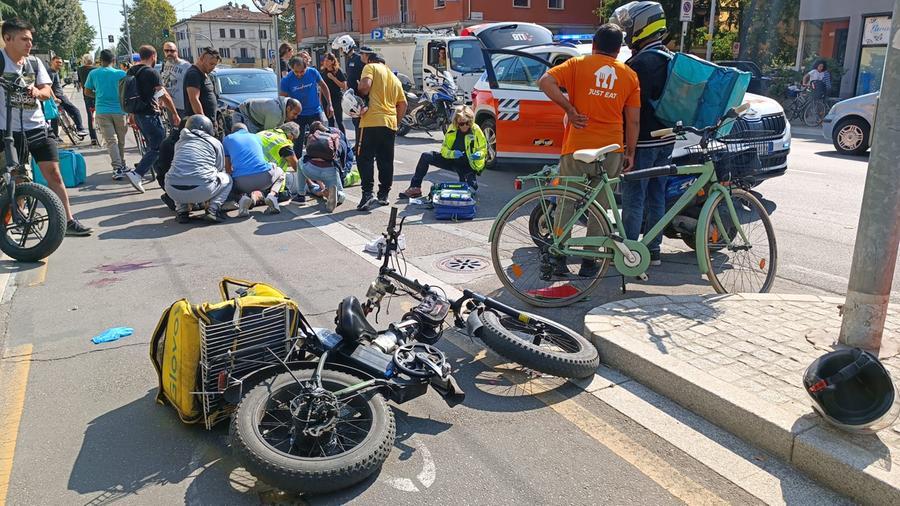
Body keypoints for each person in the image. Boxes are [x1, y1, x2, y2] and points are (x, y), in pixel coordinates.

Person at [537, 23, 640, 277]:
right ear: (618, 50)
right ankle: (589, 261)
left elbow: (545, 81)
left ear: (594, 44)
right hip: (612, 149)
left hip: (577, 146)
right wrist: (631, 152)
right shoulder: (629, 75)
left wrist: (569, 110)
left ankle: (559, 257)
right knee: (600, 207)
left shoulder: (577, 65)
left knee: (566, 202)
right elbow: (634, 119)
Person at [0, 18, 92, 236]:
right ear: (7, 39)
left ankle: (67, 221)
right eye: (24, 39)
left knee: (55, 175)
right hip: (9, 131)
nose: (29, 44)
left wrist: (35, 91)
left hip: (38, 127)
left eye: (30, 39)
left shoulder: (33, 63)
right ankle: (18, 221)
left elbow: (46, 92)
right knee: (18, 178)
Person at [612, 1, 675, 267]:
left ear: (641, 26)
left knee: (634, 197)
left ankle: (630, 252)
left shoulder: (638, 64)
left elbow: (628, 109)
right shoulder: (670, 58)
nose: (626, 34)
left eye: (629, 28)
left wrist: (626, 146)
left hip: (643, 141)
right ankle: (654, 249)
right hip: (667, 138)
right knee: (656, 195)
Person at [122, 45, 181, 193]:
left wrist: (131, 115)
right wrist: (174, 113)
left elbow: (132, 94)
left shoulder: (131, 70)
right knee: (159, 146)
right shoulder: (151, 72)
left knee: (151, 146)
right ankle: (138, 173)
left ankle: (161, 174)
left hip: (139, 114)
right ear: (153, 56)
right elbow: (164, 95)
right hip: (150, 114)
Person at [355, 47, 407, 211]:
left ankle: (367, 194)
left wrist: (359, 89)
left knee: (365, 158)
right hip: (389, 123)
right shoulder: (393, 77)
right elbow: (403, 104)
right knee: (386, 160)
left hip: (371, 121)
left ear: (370, 60)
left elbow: (365, 87)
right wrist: (396, 122)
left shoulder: (370, 67)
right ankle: (383, 194)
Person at [401, 105, 486, 198]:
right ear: (456, 122)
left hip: (467, 165)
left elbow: (483, 148)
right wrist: (452, 154)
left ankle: (470, 182)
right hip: (451, 160)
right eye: (462, 124)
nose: (465, 126)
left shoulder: (476, 130)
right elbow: (444, 149)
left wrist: (479, 154)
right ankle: (415, 188)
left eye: (467, 123)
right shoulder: (452, 129)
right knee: (426, 156)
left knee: (469, 190)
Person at [165, 114, 232, 224]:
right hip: (203, 189)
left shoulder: (180, 142)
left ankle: (182, 212)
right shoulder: (214, 142)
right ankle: (213, 210)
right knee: (227, 179)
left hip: (173, 190)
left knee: (176, 175)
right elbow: (220, 169)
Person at [223, 123, 284, 217]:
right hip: (265, 179)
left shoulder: (228, 139)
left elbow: (228, 168)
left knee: (227, 177)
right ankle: (272, 195)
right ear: (246, 130)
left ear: (232, 131)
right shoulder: (256, 137)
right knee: (279, 170)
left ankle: (241, 198)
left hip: (242, 183)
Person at [84, 49, 128, 179]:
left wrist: (97, 95)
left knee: (110, 141)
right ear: (113, 60)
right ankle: (121, 164)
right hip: (120, 110)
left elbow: (87, 91)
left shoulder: (93, 73)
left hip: (102, 111)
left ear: (100, 61)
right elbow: (126, 92)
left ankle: (118, 167)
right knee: (121, 140)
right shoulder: (121, 73)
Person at [280, 54, 333, 158]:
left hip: (315, 112)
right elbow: (283, 101)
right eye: (296, 72)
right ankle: (299, 167)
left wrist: (329, 104)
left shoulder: (313, 72)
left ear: (306, 67)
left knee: (320, 139)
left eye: (302, 72)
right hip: (297, 115)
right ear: (291, 69)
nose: (299, 74)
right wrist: (286, 118)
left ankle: (319, 162)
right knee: (297, 143)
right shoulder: (287, 80)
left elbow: (323, 86)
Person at [299, 120, 348, 212]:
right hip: (331, 171)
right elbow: (342, 162)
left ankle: (300, 194)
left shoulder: (311, 140)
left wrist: (321, 185)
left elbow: (306, 159)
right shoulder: (337, 140)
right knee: (340, 192)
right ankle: (336, 195)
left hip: (312, 172)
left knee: (300, 162)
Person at [332, 35, 364, 147]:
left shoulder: (358, 59)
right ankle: (358, 145)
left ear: (346, 46)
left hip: (360, 96)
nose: (341, 51)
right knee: (356, 122)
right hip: (353, 96)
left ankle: (361, 145)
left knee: (360, 122)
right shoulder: (349, 60)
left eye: (341, 48)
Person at [47, 55, 88, 138]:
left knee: (55, 116)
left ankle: (55, 136)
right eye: (57, 62)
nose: (59, 64)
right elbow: (48, 86)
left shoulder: (54, 72)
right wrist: (54, 98)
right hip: (59, 97)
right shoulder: (51, 72)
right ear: (52, 62)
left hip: (57, 96)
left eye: (60, 63)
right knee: (75, 111)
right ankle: (80, 129)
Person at [183, 47, 220, 124]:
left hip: (209, 121)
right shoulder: (193, 74)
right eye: (211, 64)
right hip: (200, 124)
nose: (213, 67)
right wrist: (203, 122)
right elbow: (194, 99)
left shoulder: (205, 74)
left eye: (215, 65)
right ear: (201, 59)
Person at [233, 96, 301, 133]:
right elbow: (268, 133)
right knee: (249, 143)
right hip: (242, 115)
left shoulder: (281, 107)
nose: (295, 117)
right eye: (295, 114)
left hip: (252, 118)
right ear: (288, 108)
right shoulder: (275, 113)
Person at [160, 41, 191, 118]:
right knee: (173, 129)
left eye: (172, 51)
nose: (169, 53)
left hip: (183, 107)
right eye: (166, 51)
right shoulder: (166, 63)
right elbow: (164, 81)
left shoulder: (186, 66)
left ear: (177, 51)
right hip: (170, 105)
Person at [321, 53, 347, 134]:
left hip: (336, 98)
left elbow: (344, 86)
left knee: (339, 121)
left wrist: (333, 78)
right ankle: (332, 140)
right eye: (324, 60)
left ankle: (344, 140)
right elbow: (321, 87)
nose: (325, 62)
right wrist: (320, 100)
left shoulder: (338, 71)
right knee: (330, 121)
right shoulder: (322, 72)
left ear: (332, 61)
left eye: (327, 60)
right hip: (326, 99)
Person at [76, 53, 99, 145]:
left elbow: (81, 83)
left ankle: (93, 138)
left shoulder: (80, 70)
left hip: (86, 95)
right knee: (101, 113)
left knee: (90, 116)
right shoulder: (96, 70)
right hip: (97, 94)